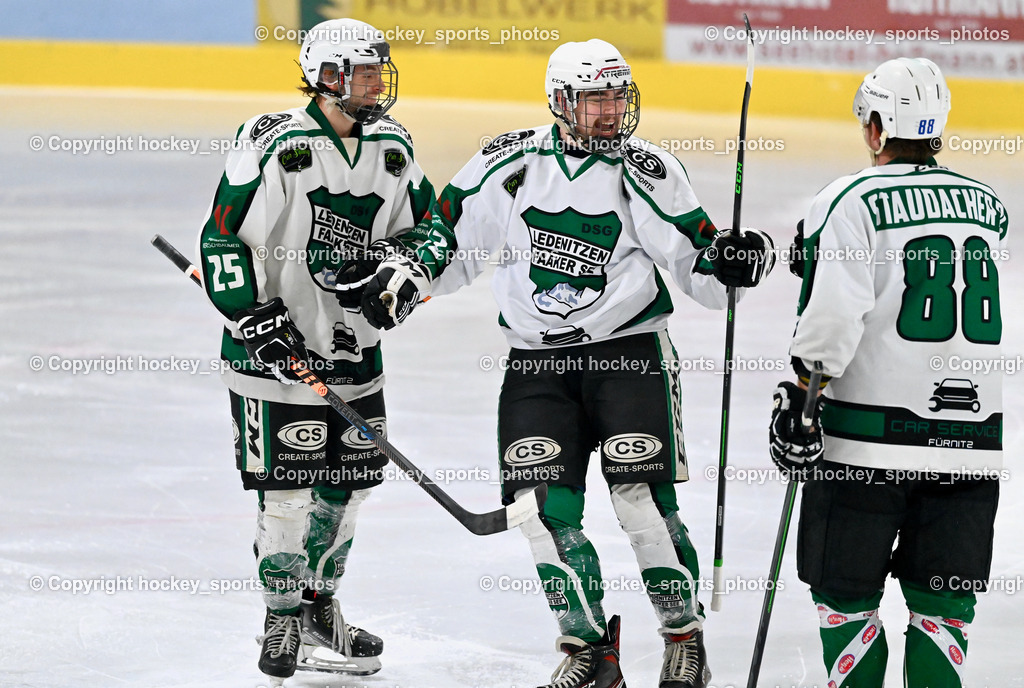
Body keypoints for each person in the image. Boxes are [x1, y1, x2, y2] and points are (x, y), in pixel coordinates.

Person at [356, 39, 775, 688]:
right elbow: (449, 237)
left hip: (629, 354)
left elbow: (701, 261)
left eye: (618, 96)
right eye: (594, 99)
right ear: (559, 102)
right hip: (536, 369)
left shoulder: (647, 168)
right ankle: (588, 649)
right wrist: (408, 273)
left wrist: (738, 259)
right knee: (541, 511)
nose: (610, 113)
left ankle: (682, 636)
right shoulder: (509, 162)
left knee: (642, 504)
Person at [194, 17, 434, 683]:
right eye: (363, 70)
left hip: (355, 352)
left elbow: (428, 229)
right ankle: (280, 617)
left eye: (379, 69)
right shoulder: (271, 141)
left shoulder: (393, 146)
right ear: (328, 76)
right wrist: (254, 318)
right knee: (288, 495)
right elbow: (219, 240)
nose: (377, 82)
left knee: (348, 488)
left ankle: (320, 605)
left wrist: (402, 276)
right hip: (273, 356)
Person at [770, 57, 1006, 688]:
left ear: (876, 127)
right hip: (973, 446)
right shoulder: (988, 205)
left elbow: (832, 324)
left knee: (845, 602)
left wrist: (800, 395)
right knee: (943, 614)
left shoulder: (848, 199)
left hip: (865, 444)